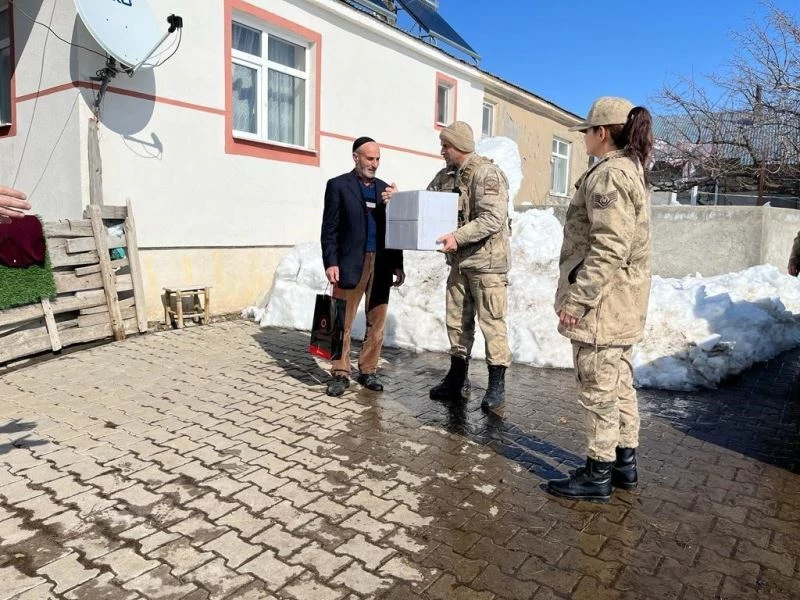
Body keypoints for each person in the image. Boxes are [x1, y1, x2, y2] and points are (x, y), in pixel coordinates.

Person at [546, 97, 654, 503]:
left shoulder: (610, 176)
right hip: (620, 304)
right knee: (619, 383)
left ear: (602, 133)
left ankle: (598, 472)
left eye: (586, 132)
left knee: (597, 387)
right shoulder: (630, 171)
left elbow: (609, 247)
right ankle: (624, 463)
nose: (584, 140)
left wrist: (577, 301)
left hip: (603, 307)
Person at [425, 121, 512, 410]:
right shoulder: (448, 175)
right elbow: (428, 201)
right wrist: (398, 199)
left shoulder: (487, 174)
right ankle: (457, 379)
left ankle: (496, 385)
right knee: (456, 323)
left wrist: (456, 237)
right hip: (459, 263)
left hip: (487, 266)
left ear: (459, 145)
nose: (442, 151)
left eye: (445, 146)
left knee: (492, 324)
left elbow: (492, 219)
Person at [320, 137, 405, 397]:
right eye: (370, 158)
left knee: (376, 322)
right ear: (356, 157)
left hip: (381, 263)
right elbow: (329, 228)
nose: (375, 164)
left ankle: (368, 370)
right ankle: (339, 372)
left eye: (378, 159)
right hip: (349, 262)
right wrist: (331, 262)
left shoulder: (385, 190)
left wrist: (398, 264)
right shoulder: (338, 186)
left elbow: (396, 228)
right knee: (340, 320)